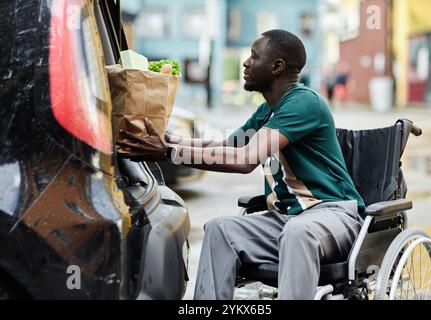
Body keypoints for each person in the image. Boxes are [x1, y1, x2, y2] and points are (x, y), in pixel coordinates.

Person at [118, 29, 365, 300]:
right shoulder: (268, 110)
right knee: (219, 231)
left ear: (277, 67)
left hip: (332, 215)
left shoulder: (304, 102)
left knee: (298, 232)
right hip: (287, 220)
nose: (246, 63)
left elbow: (246, 159)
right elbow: (228, 147)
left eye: (253, 57)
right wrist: (171, 140)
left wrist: (169, 153)